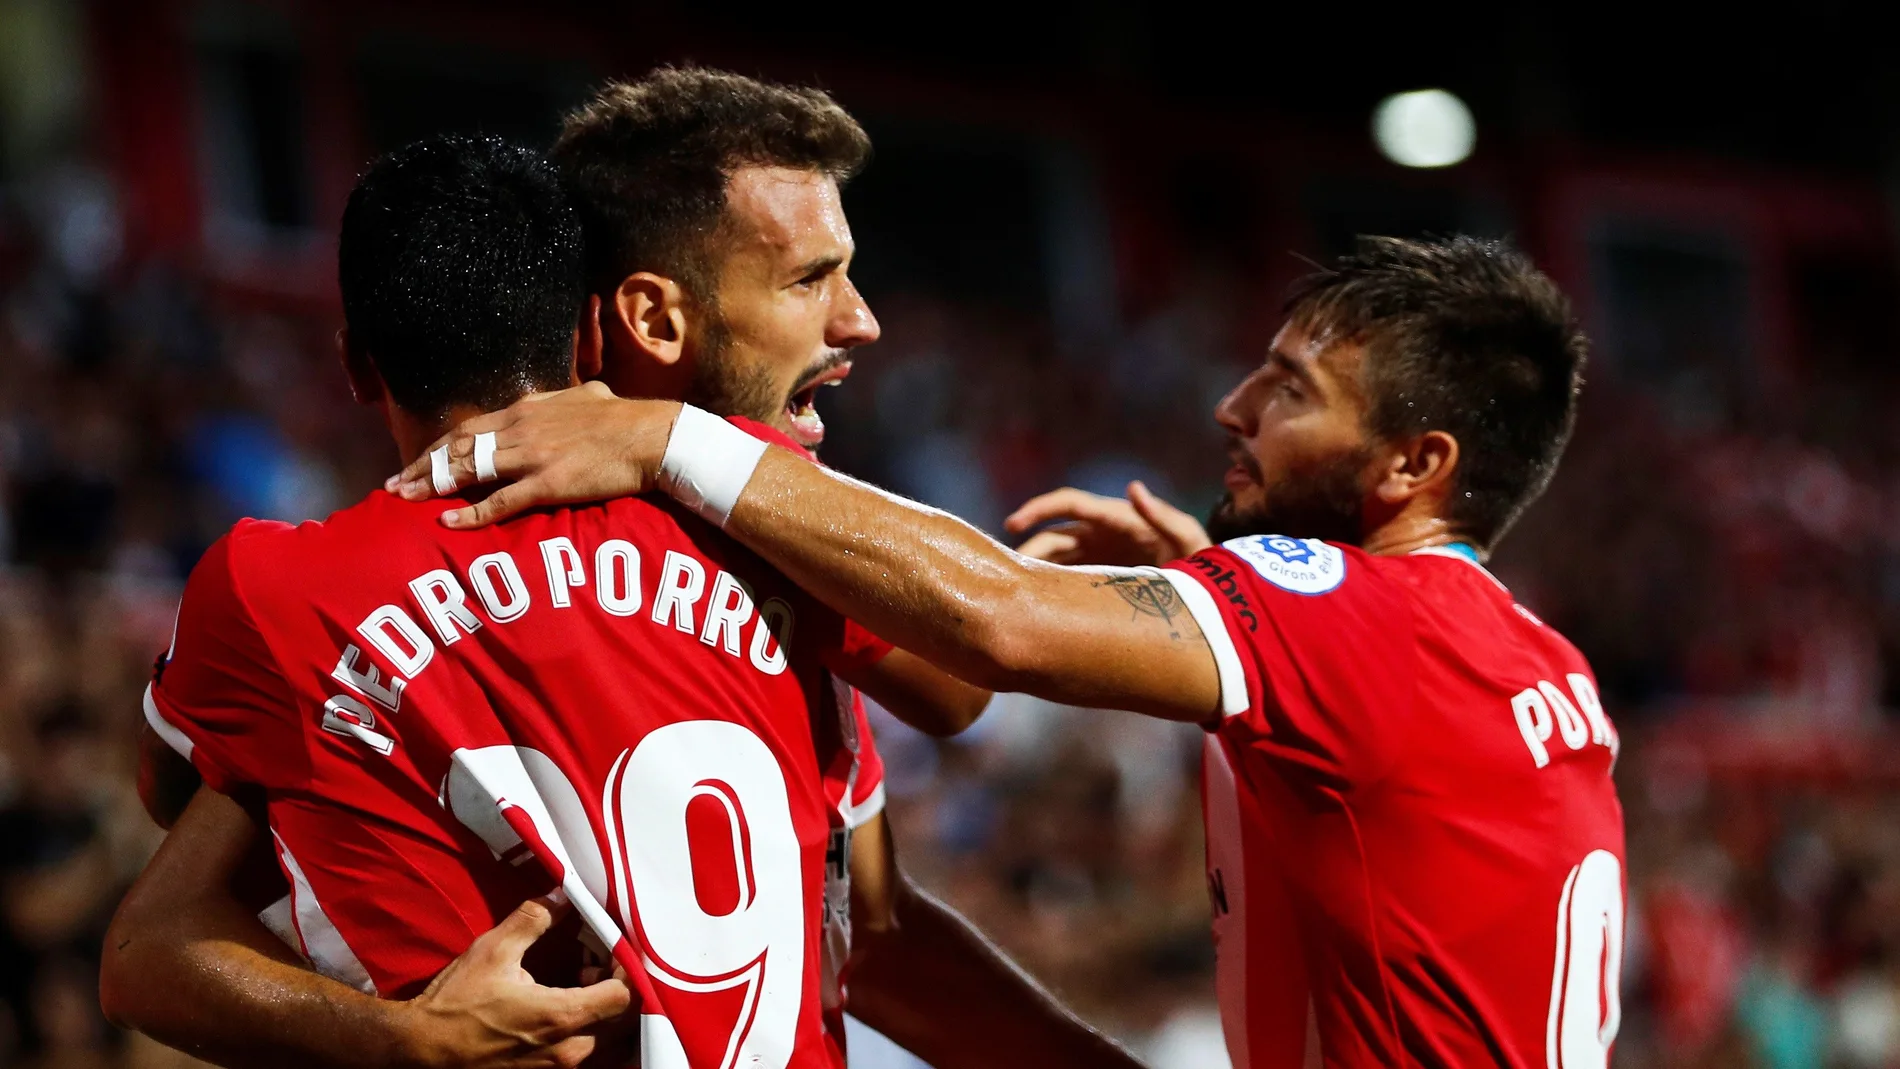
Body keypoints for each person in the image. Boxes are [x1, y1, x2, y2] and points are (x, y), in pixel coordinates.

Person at [399, 234, 1629, 1068]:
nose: (1232, 407)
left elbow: (997, 621)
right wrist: (1216, 571)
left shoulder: (1344, 618)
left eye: (1289, 391)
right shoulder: (1536, 661)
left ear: (1417, 467)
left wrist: (670, 438)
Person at [106, 70, 1130, 1069]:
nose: (858, 316)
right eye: (810, 277)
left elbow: (160, 885)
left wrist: (394, 1039)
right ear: (603, 325)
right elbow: (946, 715)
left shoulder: (278, 591)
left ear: (354, 363)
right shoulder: (764, 527)